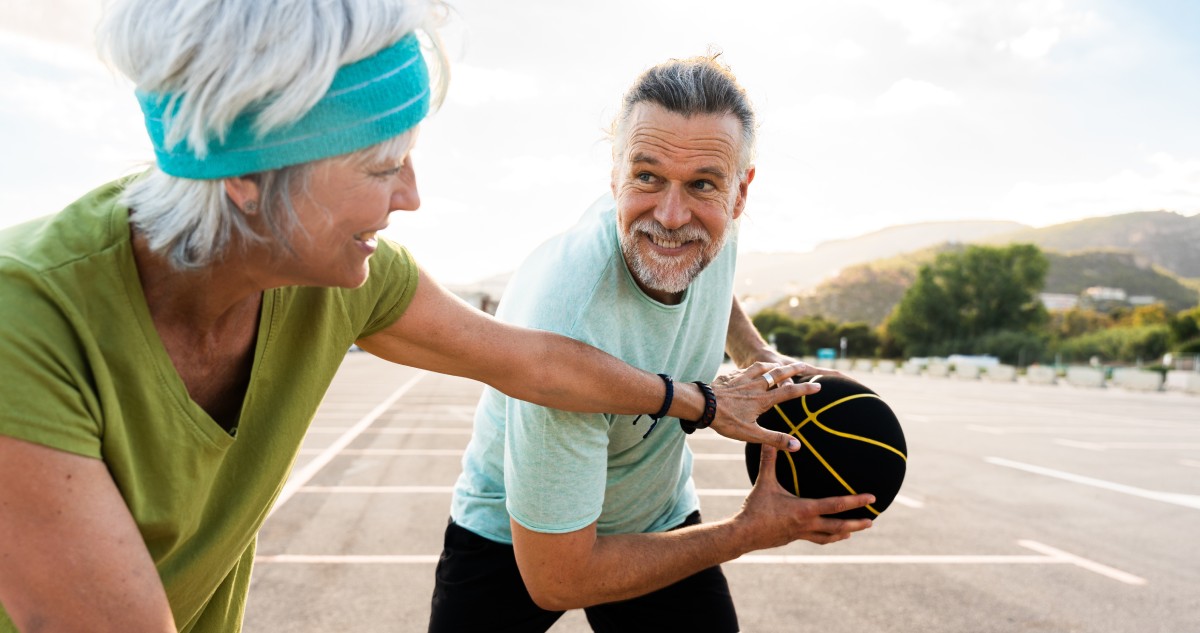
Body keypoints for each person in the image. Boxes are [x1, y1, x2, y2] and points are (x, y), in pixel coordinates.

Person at [0, 3, 825, 632]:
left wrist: (707, 402)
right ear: (248, 174)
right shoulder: (23, 325)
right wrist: (747, 525)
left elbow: (533, 362)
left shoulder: (342, 274)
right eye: (381, 165)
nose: (412, 195)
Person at [429, 54, 875, 633]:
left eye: (702, 185)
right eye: (646, 176)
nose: (669, 215)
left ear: (740, 194)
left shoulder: (712, 229)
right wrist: (748, 531)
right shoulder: (568, 322)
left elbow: (708, 270)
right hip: (515, 538)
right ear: (613, 173)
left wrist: (756, 353)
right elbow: (557, 580)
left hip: (652, 512)